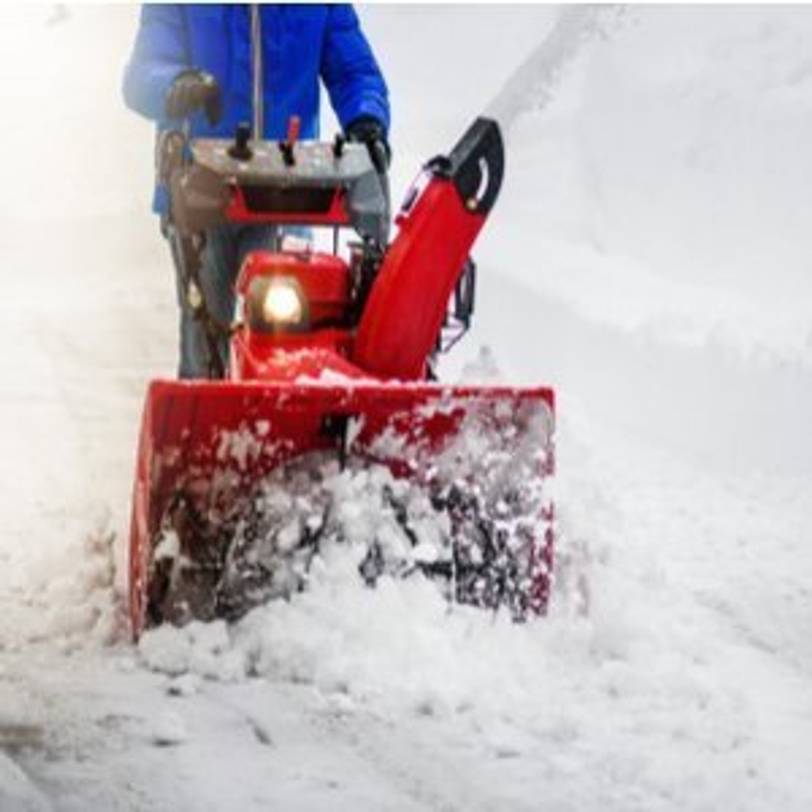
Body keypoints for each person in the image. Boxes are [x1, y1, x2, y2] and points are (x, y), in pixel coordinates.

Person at [123, 4, 390, 378]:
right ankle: (204, 423)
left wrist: (367, 120)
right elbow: (142, 74)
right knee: (206, 339)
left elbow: (354, 73)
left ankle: (277, 425)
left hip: (289, 195)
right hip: (201, 194)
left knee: (283, 335)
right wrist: (176, 85)